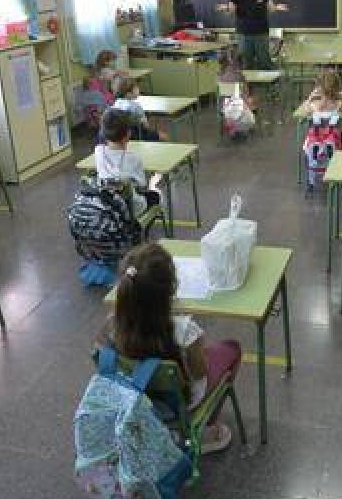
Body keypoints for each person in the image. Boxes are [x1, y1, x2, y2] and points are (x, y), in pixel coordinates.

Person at [112, 242, 240, 453]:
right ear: (172, 288)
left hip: (140, 397)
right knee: (232, 348)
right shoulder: (186, 331)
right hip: (181, 402)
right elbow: (200, 373)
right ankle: (202, 430)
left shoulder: (114, 325)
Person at [94, 108, 164, 217]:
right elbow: (141, 186)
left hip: (107, 204)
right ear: (128, 134)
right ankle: (140, 226)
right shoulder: (133, 159)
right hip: (129, 208)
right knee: (156, 195)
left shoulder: (98, 151)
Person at [216, 0, 288, 70]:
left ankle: (266, 85)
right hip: (244, 33)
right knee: (246, 63)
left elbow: (271, 7)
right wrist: (226, 8)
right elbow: (232, 9)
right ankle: (248, 86)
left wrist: (277, 7)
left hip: (261, 32)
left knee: (264, 61)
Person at [111, 74, 167, 141]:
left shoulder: (115, 104)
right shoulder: (136, 107)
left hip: (121, 137)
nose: (138, 89)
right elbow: (146, 126)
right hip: (138, 137)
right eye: (136, 87)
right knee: (163, 136)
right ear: (129, 94)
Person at [76, 50, 118, 133]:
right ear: (106, 62)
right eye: (113, 61)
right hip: (98, 106)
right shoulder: (102, 76)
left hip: (95, 105)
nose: (114, 63)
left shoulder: (97, 74)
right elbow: (103, 94)